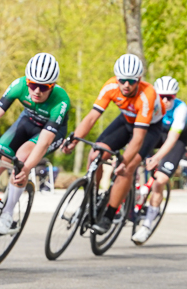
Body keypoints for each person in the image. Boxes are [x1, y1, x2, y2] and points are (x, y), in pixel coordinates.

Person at [0, 53, 71, 235]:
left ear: (52, 86)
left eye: (43, 87)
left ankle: (7, 215)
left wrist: (26, 168)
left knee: (22, 158)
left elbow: (44, 141)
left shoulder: (61, 100)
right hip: (27, 122)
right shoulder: (19, 85)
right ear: (27, 81)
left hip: (50, 134)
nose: (37, 91)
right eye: (33, 85)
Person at [63, 53, 164, 234]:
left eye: (131, 81)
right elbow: (92, 117)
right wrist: (74, 139)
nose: (126, 85)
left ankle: (109, 215)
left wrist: (123, 161)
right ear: (117, 78)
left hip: (149, 129)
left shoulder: (147, 95)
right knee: (96, 154)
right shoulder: (110, 86)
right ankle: (92, 200)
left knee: (127, 168)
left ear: (139, 80)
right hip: (126, 121)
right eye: (122, 80)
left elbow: (138, 137)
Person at [134, 76, 187, 243]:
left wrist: (157, 157)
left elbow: (172, 139)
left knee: (160, 181)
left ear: (175, 97)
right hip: (158, 132)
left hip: (177, 138)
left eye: (170, 97)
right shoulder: (151, 103)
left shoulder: (181, 109)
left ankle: (147, 226)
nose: (165, 100)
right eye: (162, 96)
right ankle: (133, 196)